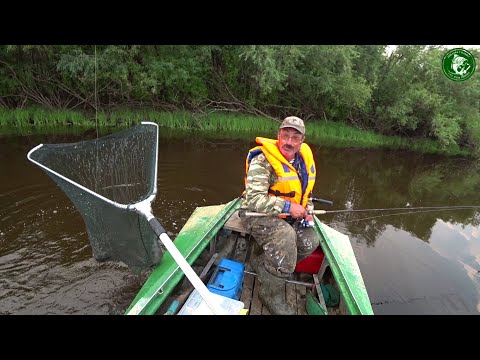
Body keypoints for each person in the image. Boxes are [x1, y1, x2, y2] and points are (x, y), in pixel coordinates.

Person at [240, 116, 320, 315]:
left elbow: (305, 192)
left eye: (295, 137)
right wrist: (287, 206)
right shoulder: (263, 161)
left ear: (301, 141)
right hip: (255, 213)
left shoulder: (303, 160)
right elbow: (254, 200)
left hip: (287, 213)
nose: (289, 142)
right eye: (285, 136)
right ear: (278, 136)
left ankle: (263, 264)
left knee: (311, 240)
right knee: (285, 238)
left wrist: (307, 210)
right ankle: (268, 294)